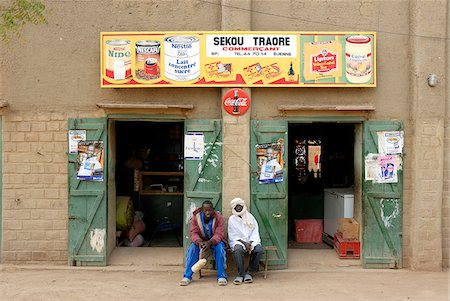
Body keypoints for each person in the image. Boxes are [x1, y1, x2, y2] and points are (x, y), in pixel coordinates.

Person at [179, 200, 227, 286]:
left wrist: (210, 242)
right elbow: (193, 232)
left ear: (213, 210)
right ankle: (187, 276)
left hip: (214, 242)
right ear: (201, 210)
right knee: (192, 249)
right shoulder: (195, 217)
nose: (208, 212)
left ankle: (221, 276)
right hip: (201, 241)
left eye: (210, 210)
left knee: (220, 248)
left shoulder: (218, 217)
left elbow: (219, 233)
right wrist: (199, 242)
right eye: (205, 210)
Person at [228, 197, 263, 285]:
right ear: (234, 208)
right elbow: (233, 235)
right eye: (237, 207)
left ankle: (250, 273)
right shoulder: (232, 219)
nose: (239, 208)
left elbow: (255, 231)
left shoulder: (250, 217)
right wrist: (244, 243)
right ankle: (241, 274)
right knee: (237, 250)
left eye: (240, 206)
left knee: (259, 250)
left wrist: (251, 242)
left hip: (251, 240)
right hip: (239, 241)